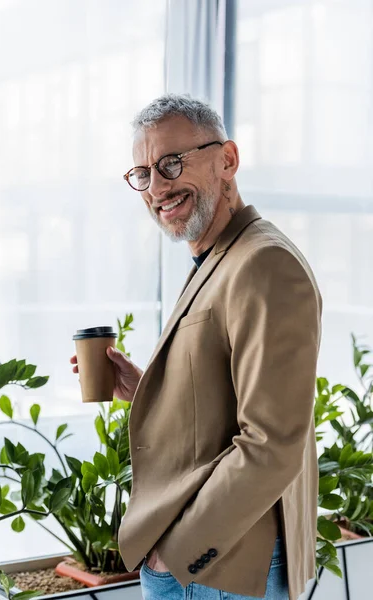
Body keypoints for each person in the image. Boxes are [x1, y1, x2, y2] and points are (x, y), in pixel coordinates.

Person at [71, 94, 322, 600]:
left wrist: (179, 553)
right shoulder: (220, 256)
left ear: (227, 159)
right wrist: (144, 390)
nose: (157, 187)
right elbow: (229, 406)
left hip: (219, 569)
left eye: (171, 163)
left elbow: (271, 444)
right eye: (143, 173)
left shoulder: (262, 264)